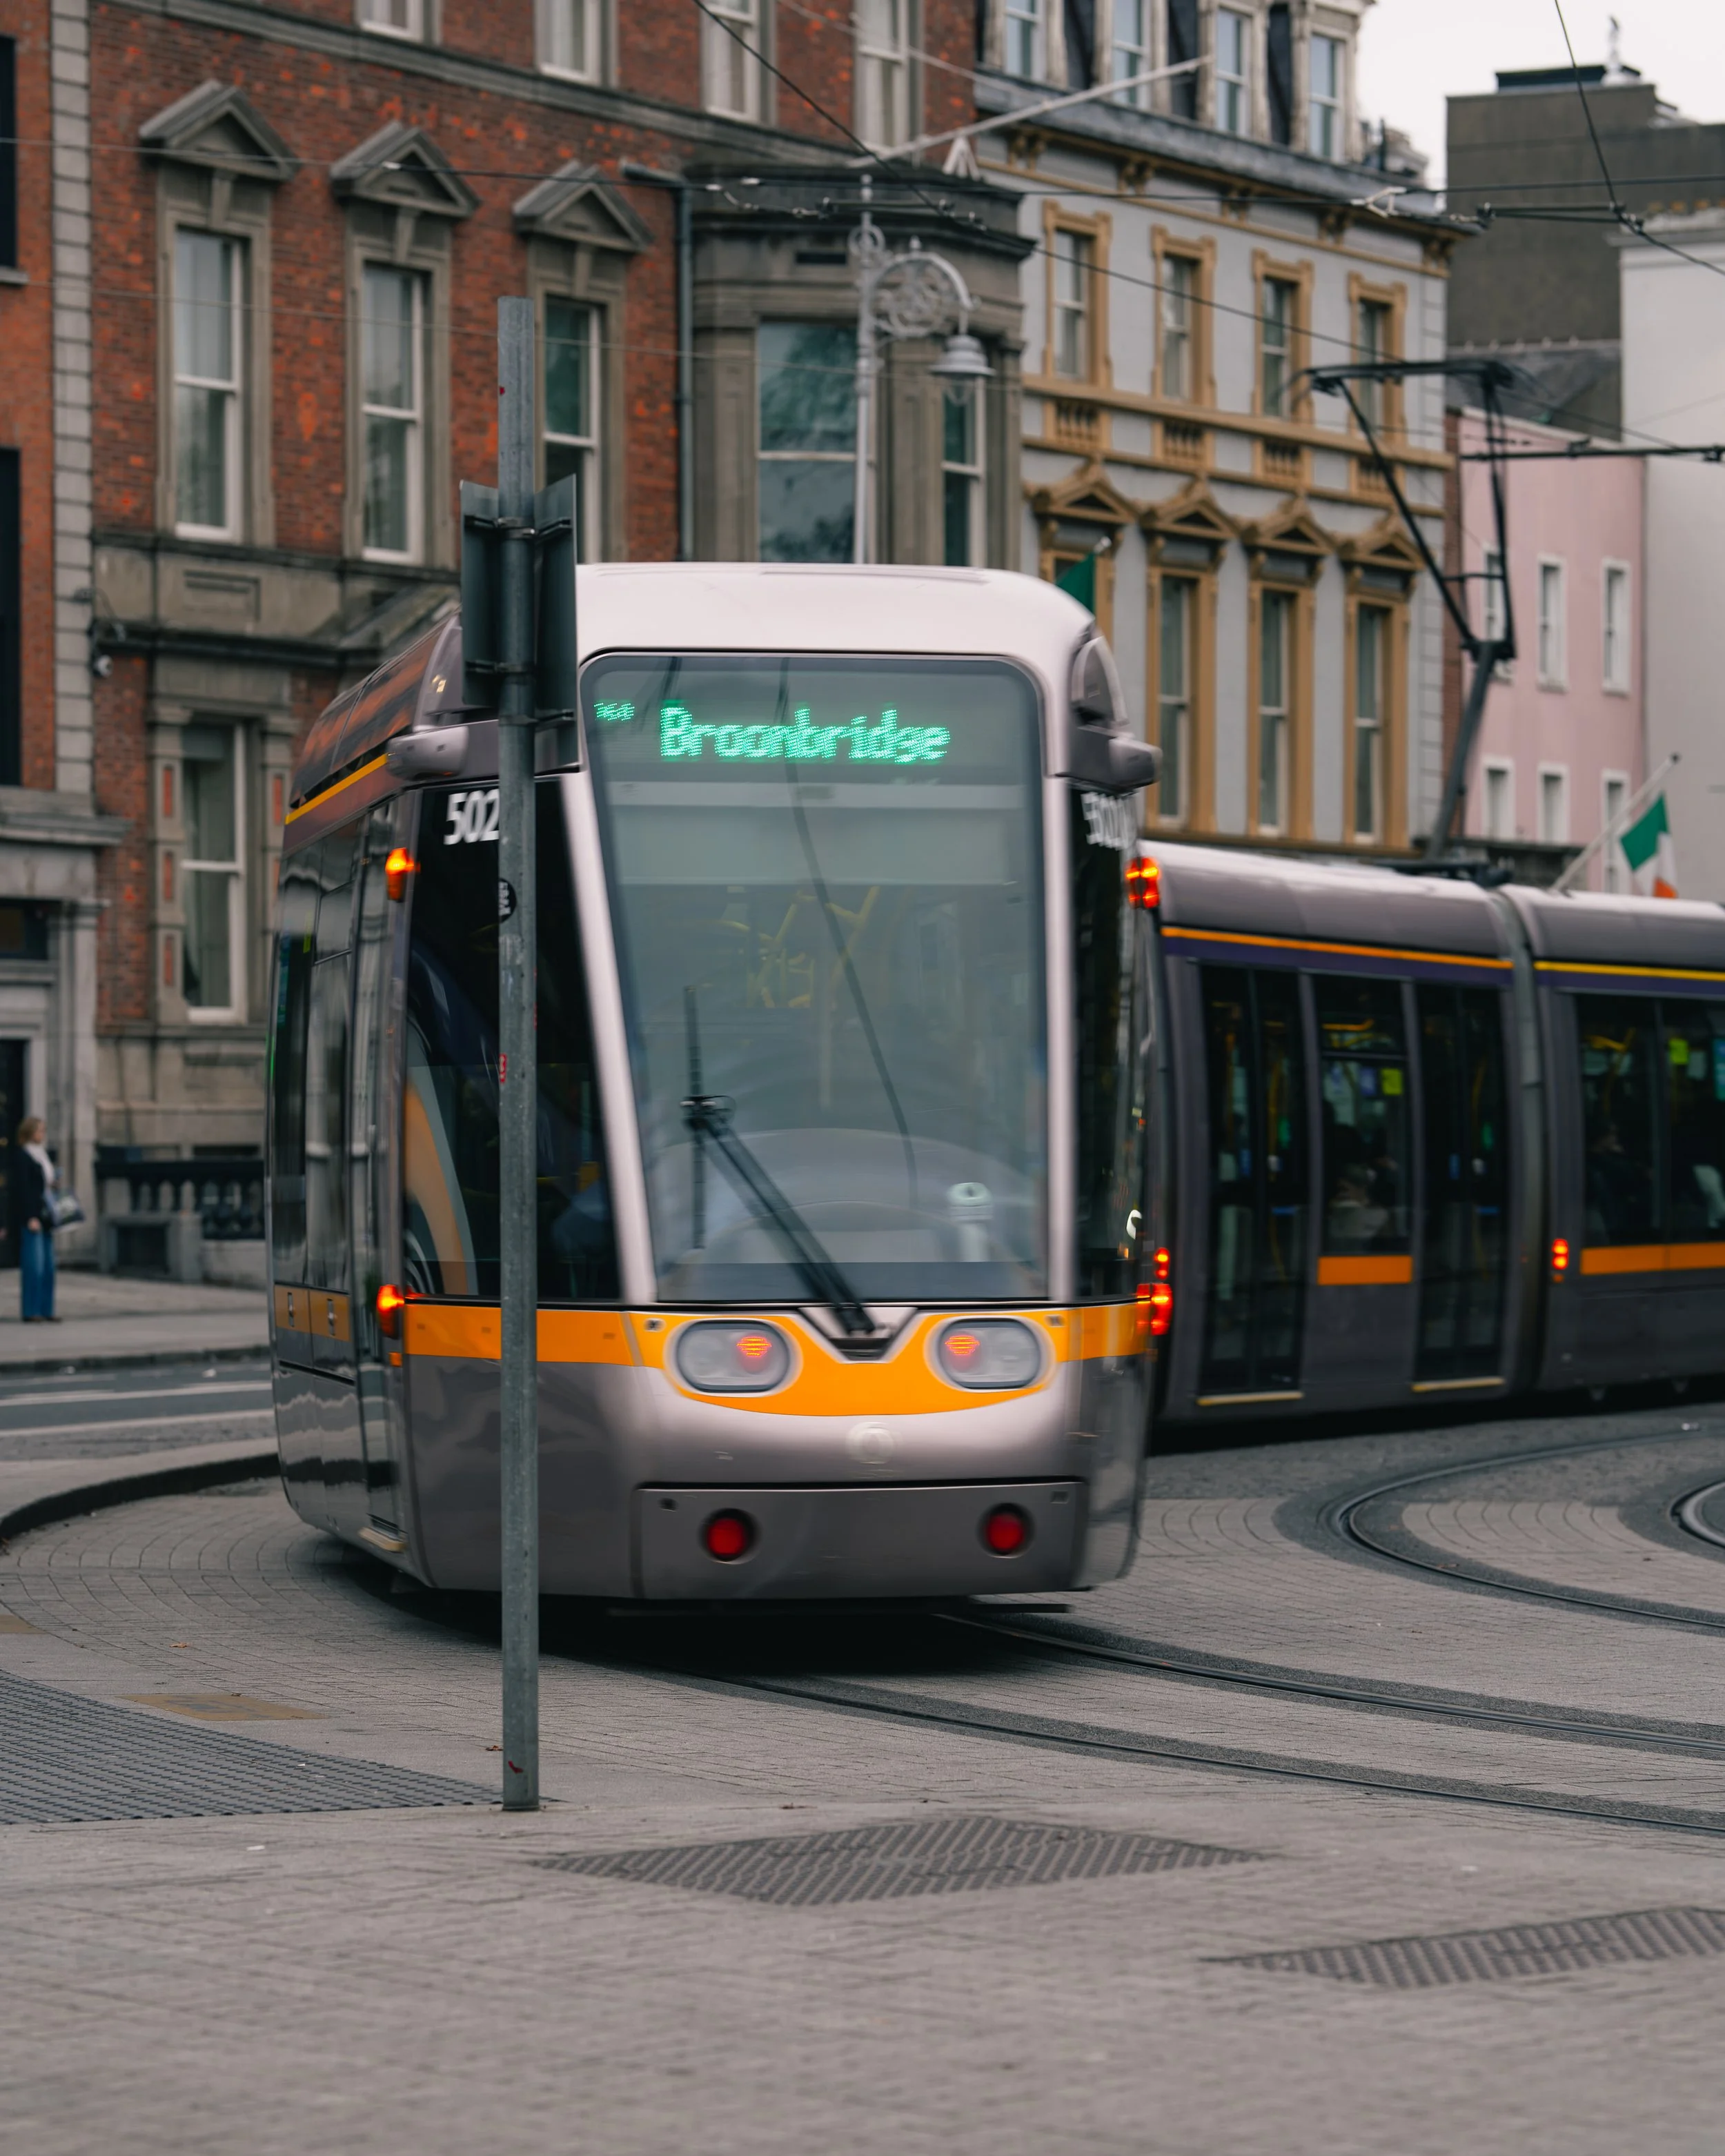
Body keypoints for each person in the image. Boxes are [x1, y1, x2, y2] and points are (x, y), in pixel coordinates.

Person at [16, 1115, 59, 1323]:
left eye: (43, 1130)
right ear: (29, 1132)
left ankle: (46, 1309)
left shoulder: (42, 1155)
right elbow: (23, 1190)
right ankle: (31, 1310)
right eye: (39, 1130)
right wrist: (29, 1216)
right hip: (33, 1216)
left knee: (49, 1266)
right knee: (35, 1266)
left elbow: (46, 1185)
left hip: (47, 1214)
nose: (42, 1134)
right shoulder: (24, 1156)